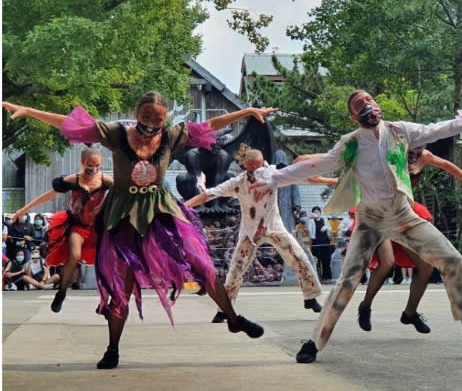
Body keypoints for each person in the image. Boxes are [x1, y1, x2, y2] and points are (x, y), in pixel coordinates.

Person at [3, 93, 271, 369]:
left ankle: (233, 318)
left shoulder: (172, 136)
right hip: (123, 215)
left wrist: (246, 112)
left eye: (158, 118)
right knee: (122, 284)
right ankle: (112, 348)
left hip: (160, 210)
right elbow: (70, 123)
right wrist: (29, 110)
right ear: (136, 112)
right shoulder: (118, 134)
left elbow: (211, 124)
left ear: (164, 118)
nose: (152, 123)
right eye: (146, 116)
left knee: (200, 262)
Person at [258, 90, 462, 363]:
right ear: (354, 116)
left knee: (452, 259)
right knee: (347, 281)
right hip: (370, 220)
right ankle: (314, 342)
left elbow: (441, 129)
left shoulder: (401, 131)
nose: (366, 104)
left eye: (368, 99)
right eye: (358, 104)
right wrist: (275, 178)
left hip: (403, 214)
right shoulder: (350, 143)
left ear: (376, 105)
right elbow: (317, 164)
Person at [354, 144, 462, 334]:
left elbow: (447, 165)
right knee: (387, 262)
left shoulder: (423, 155)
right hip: (379, 212)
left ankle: (410, 313)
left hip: (404, 211)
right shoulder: (391, 151)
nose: (419, 145)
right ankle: (365, 306)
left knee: (425, 266)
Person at [185, 148, 324, 323]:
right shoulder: (239, 182)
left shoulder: (273, 175)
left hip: (273, 226)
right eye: (251, 167)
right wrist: (185, 206)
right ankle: (224, 309)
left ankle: (310, 297)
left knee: (299, 257)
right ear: (246, 165)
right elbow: (209, 194)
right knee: (236, 269)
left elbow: (301, 177)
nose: (256, 171)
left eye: (258, 166)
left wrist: (330, 180)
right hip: (249, 231)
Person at [12, 147, 113, 312]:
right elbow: (49, 195)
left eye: (97, 165)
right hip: (76, 225)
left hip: (97, 227)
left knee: (105, 261)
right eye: (90, 165)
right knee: (74, 255)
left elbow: (124, 195)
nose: (94, 169)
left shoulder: (106, 180)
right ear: (82, 163)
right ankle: (62, 291)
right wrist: (24, 210)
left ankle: (104, 302)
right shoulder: (74, 180)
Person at [308, 206, 334, 281]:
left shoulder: (324, 220)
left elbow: (330, 229)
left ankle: (327, 277)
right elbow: (310, 231)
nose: (316, 213)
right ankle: (317, 277)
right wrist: (309, 218)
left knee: (327, 260)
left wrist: (326, 227)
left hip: (326, 243)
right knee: (317, 261)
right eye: (315, 212)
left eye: (317, 212)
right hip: (316, 243)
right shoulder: (311, 221)